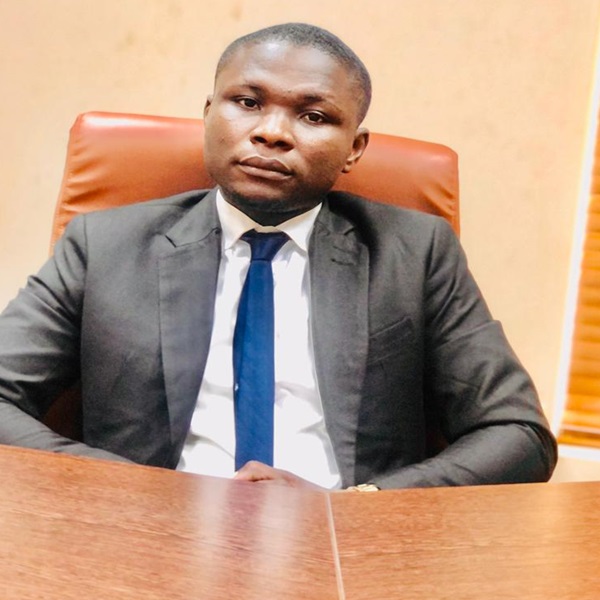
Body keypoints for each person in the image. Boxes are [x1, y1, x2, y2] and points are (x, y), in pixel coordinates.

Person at [0, 23, 556, 490]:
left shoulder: (415, 252)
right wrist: (139, 493)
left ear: (354, 149)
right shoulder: (104, 244)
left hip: (343, 548)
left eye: (313, 117)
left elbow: (518, 435)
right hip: (145, 538)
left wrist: (357, 507)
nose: (270, 133)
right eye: (247, 103)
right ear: (208, 113)